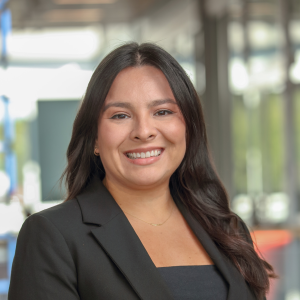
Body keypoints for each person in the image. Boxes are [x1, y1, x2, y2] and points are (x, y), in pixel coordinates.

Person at [8, 42, 275, 300]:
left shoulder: (228, 230)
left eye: (162, 111)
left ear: (188, 128)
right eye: (120, 115)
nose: (144, 131)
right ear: (95, 139)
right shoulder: (54, 236)